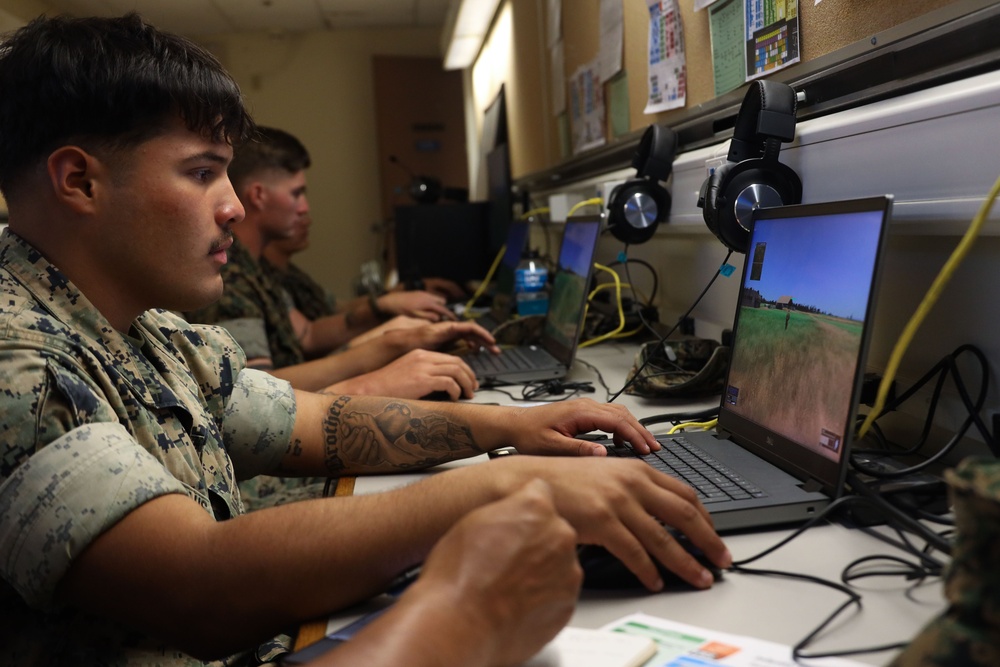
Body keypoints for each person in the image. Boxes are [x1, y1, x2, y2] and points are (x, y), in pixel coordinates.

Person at [0, 13, 731, 667]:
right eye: (202, 174)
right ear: (79, 181)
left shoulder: (147, 331)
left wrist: (512, 428)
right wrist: (501, 486)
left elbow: (319, 421)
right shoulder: (18, 359)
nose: (231, 207)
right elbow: (195, 582)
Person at [185, 126, 488, 400]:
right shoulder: (231, 274)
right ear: (260, 196)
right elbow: (256, 389)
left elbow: (308, 334)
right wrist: (389, 346)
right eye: (297, 193)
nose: (305, 208)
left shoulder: (257, 268)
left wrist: (390, 321)